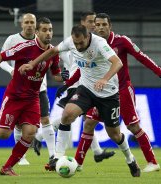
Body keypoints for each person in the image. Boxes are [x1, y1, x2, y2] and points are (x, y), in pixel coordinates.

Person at [19, 24, 141, 177]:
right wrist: (32, 63)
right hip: (86, 89)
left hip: (108, 94)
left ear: (88, 37)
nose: (78, 46)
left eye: (81, 43)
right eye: (75, 43)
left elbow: (118, 63)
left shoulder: (99, 43)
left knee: (114, 134)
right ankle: (57, 157)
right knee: (67, 115)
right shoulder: (71, 42)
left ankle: (130, 159)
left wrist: (104, 79)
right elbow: (52, 51)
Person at [62, 13, 161, 173]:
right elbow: (84, 69)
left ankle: (152, 162)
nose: (99, 27)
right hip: (98, 92)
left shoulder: (122, 41)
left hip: (122, 90)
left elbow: (141, 57)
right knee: (89, 123)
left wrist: (160, 73)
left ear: (110, 26)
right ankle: (78, 163)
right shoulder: (90, 44)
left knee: (133, 126)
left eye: (103, 25)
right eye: (97, 24)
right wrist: (68, 82)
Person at [0, 17, 63, 176]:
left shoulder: (53, 52)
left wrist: (64, 76)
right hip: (15, 96)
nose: (48, 33)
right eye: (44, 30)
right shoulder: (25, 47)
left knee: (30, 132)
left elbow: (56, 75)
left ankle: (7, 167)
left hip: (32, 98)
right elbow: (2, 56)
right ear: (37, 32)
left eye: (50, 30)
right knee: (3, 135)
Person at [48, 12, 115, 167]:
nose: (94, 24)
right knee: (73, 117)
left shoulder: (97, 42)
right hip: (77, 85)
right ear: (83, 23)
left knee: (87, 120)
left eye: (96, 22)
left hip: (93, 86)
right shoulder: (72, 42)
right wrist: (63, 76)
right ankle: (43, 136)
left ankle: (96, 152)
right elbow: (59, 58)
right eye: (91, 21)